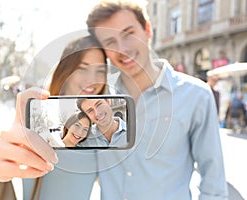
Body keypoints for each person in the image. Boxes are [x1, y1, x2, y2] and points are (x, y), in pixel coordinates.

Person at [85, 1, 228, 199]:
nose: (123, 48)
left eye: (129, 34)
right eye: (110, 42)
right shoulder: (95, 99)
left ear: (148, 30)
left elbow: (214, 184)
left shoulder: (196, 95)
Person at [0, 35, 108, 199]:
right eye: (83, 68)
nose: (92, 80)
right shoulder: (38, 112)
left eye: (100, 71)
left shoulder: (97, 129)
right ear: (67, 69)